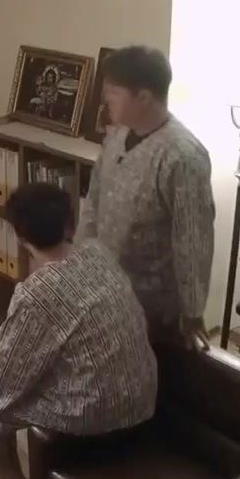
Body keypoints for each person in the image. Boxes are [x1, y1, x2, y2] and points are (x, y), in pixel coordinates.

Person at [0, 183, 157, 479]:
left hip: (101, 419)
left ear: (20, 237)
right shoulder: (100, 255)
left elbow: (5, 377)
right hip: (143, 400)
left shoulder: (37, 294)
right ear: (70, 224)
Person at [78, 45, 215, 347]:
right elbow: (93, 202)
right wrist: (80, 267)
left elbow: (193, 240)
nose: (105, 98)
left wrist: (193, 312)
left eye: (114, 91)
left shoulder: (183, 156)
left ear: (143, 97)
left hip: (151, 311)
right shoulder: (116, 136)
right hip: (103, 294)